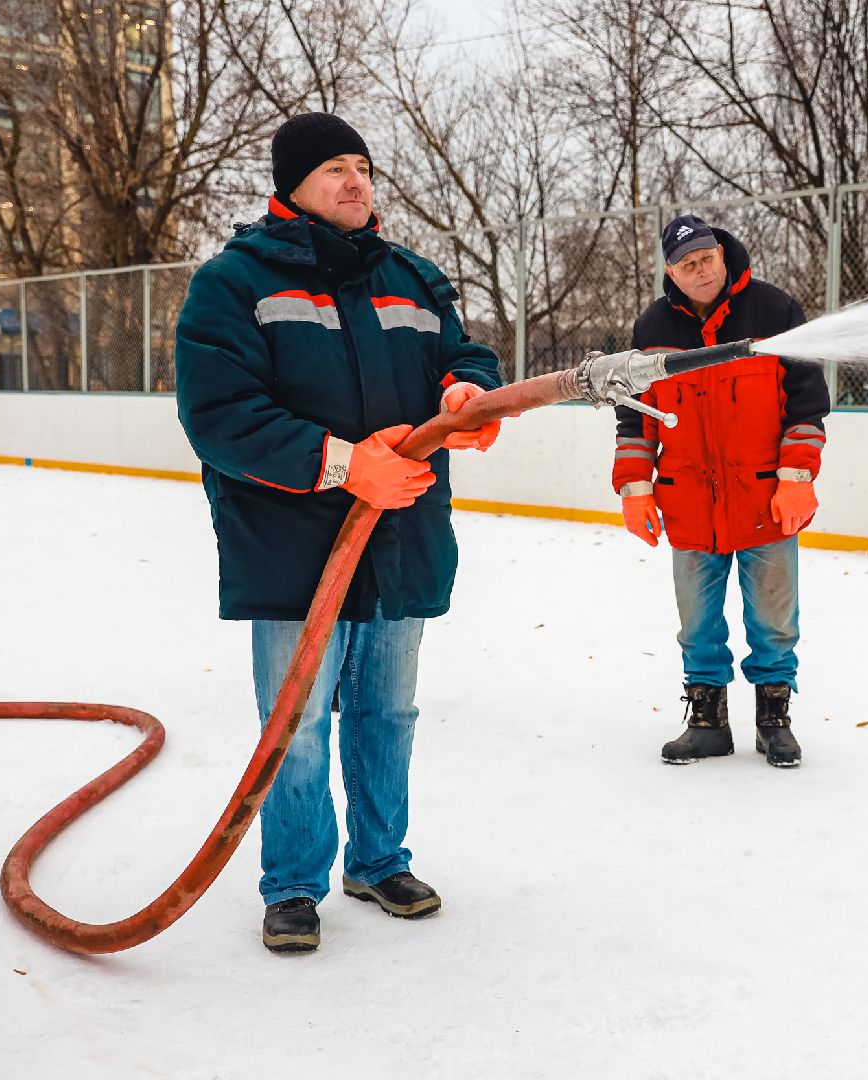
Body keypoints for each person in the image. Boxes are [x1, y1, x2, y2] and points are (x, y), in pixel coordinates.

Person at [174, 113, 504, 954]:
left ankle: (379, 859)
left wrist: (468, 394)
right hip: (295, 549)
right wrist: (341, 465)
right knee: (299, 722)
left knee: (387, 712)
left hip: (402, 540)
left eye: (362, 166)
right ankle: (292, 884)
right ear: (290, 186)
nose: (355, 181)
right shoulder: (235, 282)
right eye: (333, 169)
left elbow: (467, 359)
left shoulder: (414, 277)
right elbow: (221, 417)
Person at [614, 215, 829, 768]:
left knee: (775, 621)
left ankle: (773, 719)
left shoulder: (774, 311)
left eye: (707, 257)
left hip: (765, 501)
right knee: (697, 623)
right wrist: (636, 490)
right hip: (688, 503)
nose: (701, 269)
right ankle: (707, 721)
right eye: (687, 264)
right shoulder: (651, 328)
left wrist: (798, 478)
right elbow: (635, 422)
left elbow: (806, 407)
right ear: (670, 272)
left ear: (721, 253)